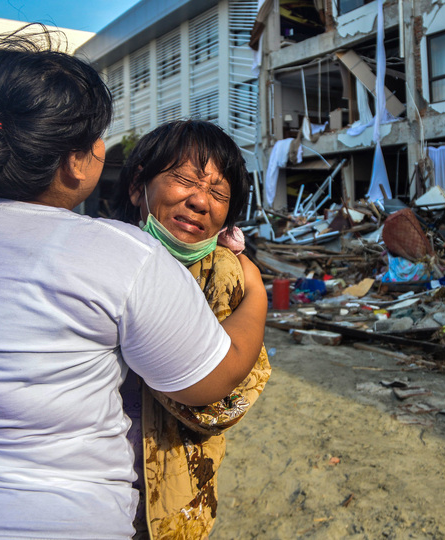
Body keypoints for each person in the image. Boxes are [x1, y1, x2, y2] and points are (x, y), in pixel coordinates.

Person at [0, 30, 266, 539]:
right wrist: (258, 294)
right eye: (96, 136)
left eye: (217, 191)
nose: (200, 201)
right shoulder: (121, 254)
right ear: (74, 160)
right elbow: (212, 382)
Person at [113, 120, 271, 539]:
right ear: (137, 186)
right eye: (183, 180)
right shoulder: (100, 255)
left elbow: (221, 403)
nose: (200, 201)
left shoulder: (223, 274)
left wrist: (254, 290)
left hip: (168, 506)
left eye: (219, 193)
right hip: (88, 494)